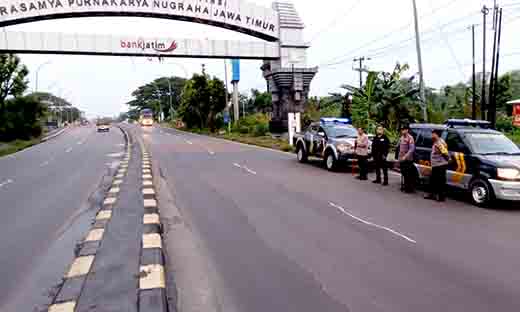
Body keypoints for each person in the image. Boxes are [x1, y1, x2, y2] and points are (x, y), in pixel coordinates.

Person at [425, 129, 450, 202]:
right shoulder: (436, 142)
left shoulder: (439, 143)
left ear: (437, 134)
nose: (432, 135)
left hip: (440, 165)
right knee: (433, 180)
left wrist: (448, 159)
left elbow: (445, 152)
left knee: (440, 181)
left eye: (433, 134)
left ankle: (441, 197)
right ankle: (432, 194)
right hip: (436, 165)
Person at [396, 125, 416, 193]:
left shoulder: (410, 138)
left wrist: (406, 156)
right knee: (404, 173)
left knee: (408, 174)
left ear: (407, 130)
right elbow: (399, 148)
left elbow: (412, 149)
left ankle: (409, 188)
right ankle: (405, 186)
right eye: (402, 130)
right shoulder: (401, 138)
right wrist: (398, 159)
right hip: (402, 159)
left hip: (408, 159)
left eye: (404, 130)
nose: (402, 131)